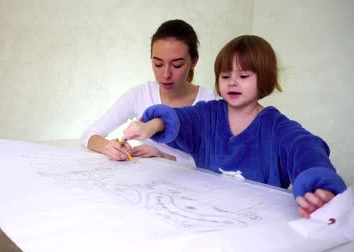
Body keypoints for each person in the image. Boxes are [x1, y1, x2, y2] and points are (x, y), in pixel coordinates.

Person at [122, 35, 347, 218]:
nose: (232, 82)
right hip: (203, 217)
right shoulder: (207, 114)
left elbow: (305, 148)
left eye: (244, 75)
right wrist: (151, 126)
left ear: (265, 79)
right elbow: (182, 119)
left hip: (257, 227)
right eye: (225, 75)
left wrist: (318, 187)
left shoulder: (276, 128)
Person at [81, 19, 216, 165]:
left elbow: (215, 160)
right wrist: (108, 147)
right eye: (158, 64)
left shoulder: (209, 102)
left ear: (193, 61)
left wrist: (163, 155)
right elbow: (89, 134)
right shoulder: (141, 94)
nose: (165, 74)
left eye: (177, 65)